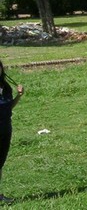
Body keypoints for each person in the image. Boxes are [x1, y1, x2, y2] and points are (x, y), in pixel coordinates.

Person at [0, 60, 23, 204]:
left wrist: (19, 96)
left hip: (5, 128)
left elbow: (9, 107)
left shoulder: (6, 86)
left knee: (0, 163)